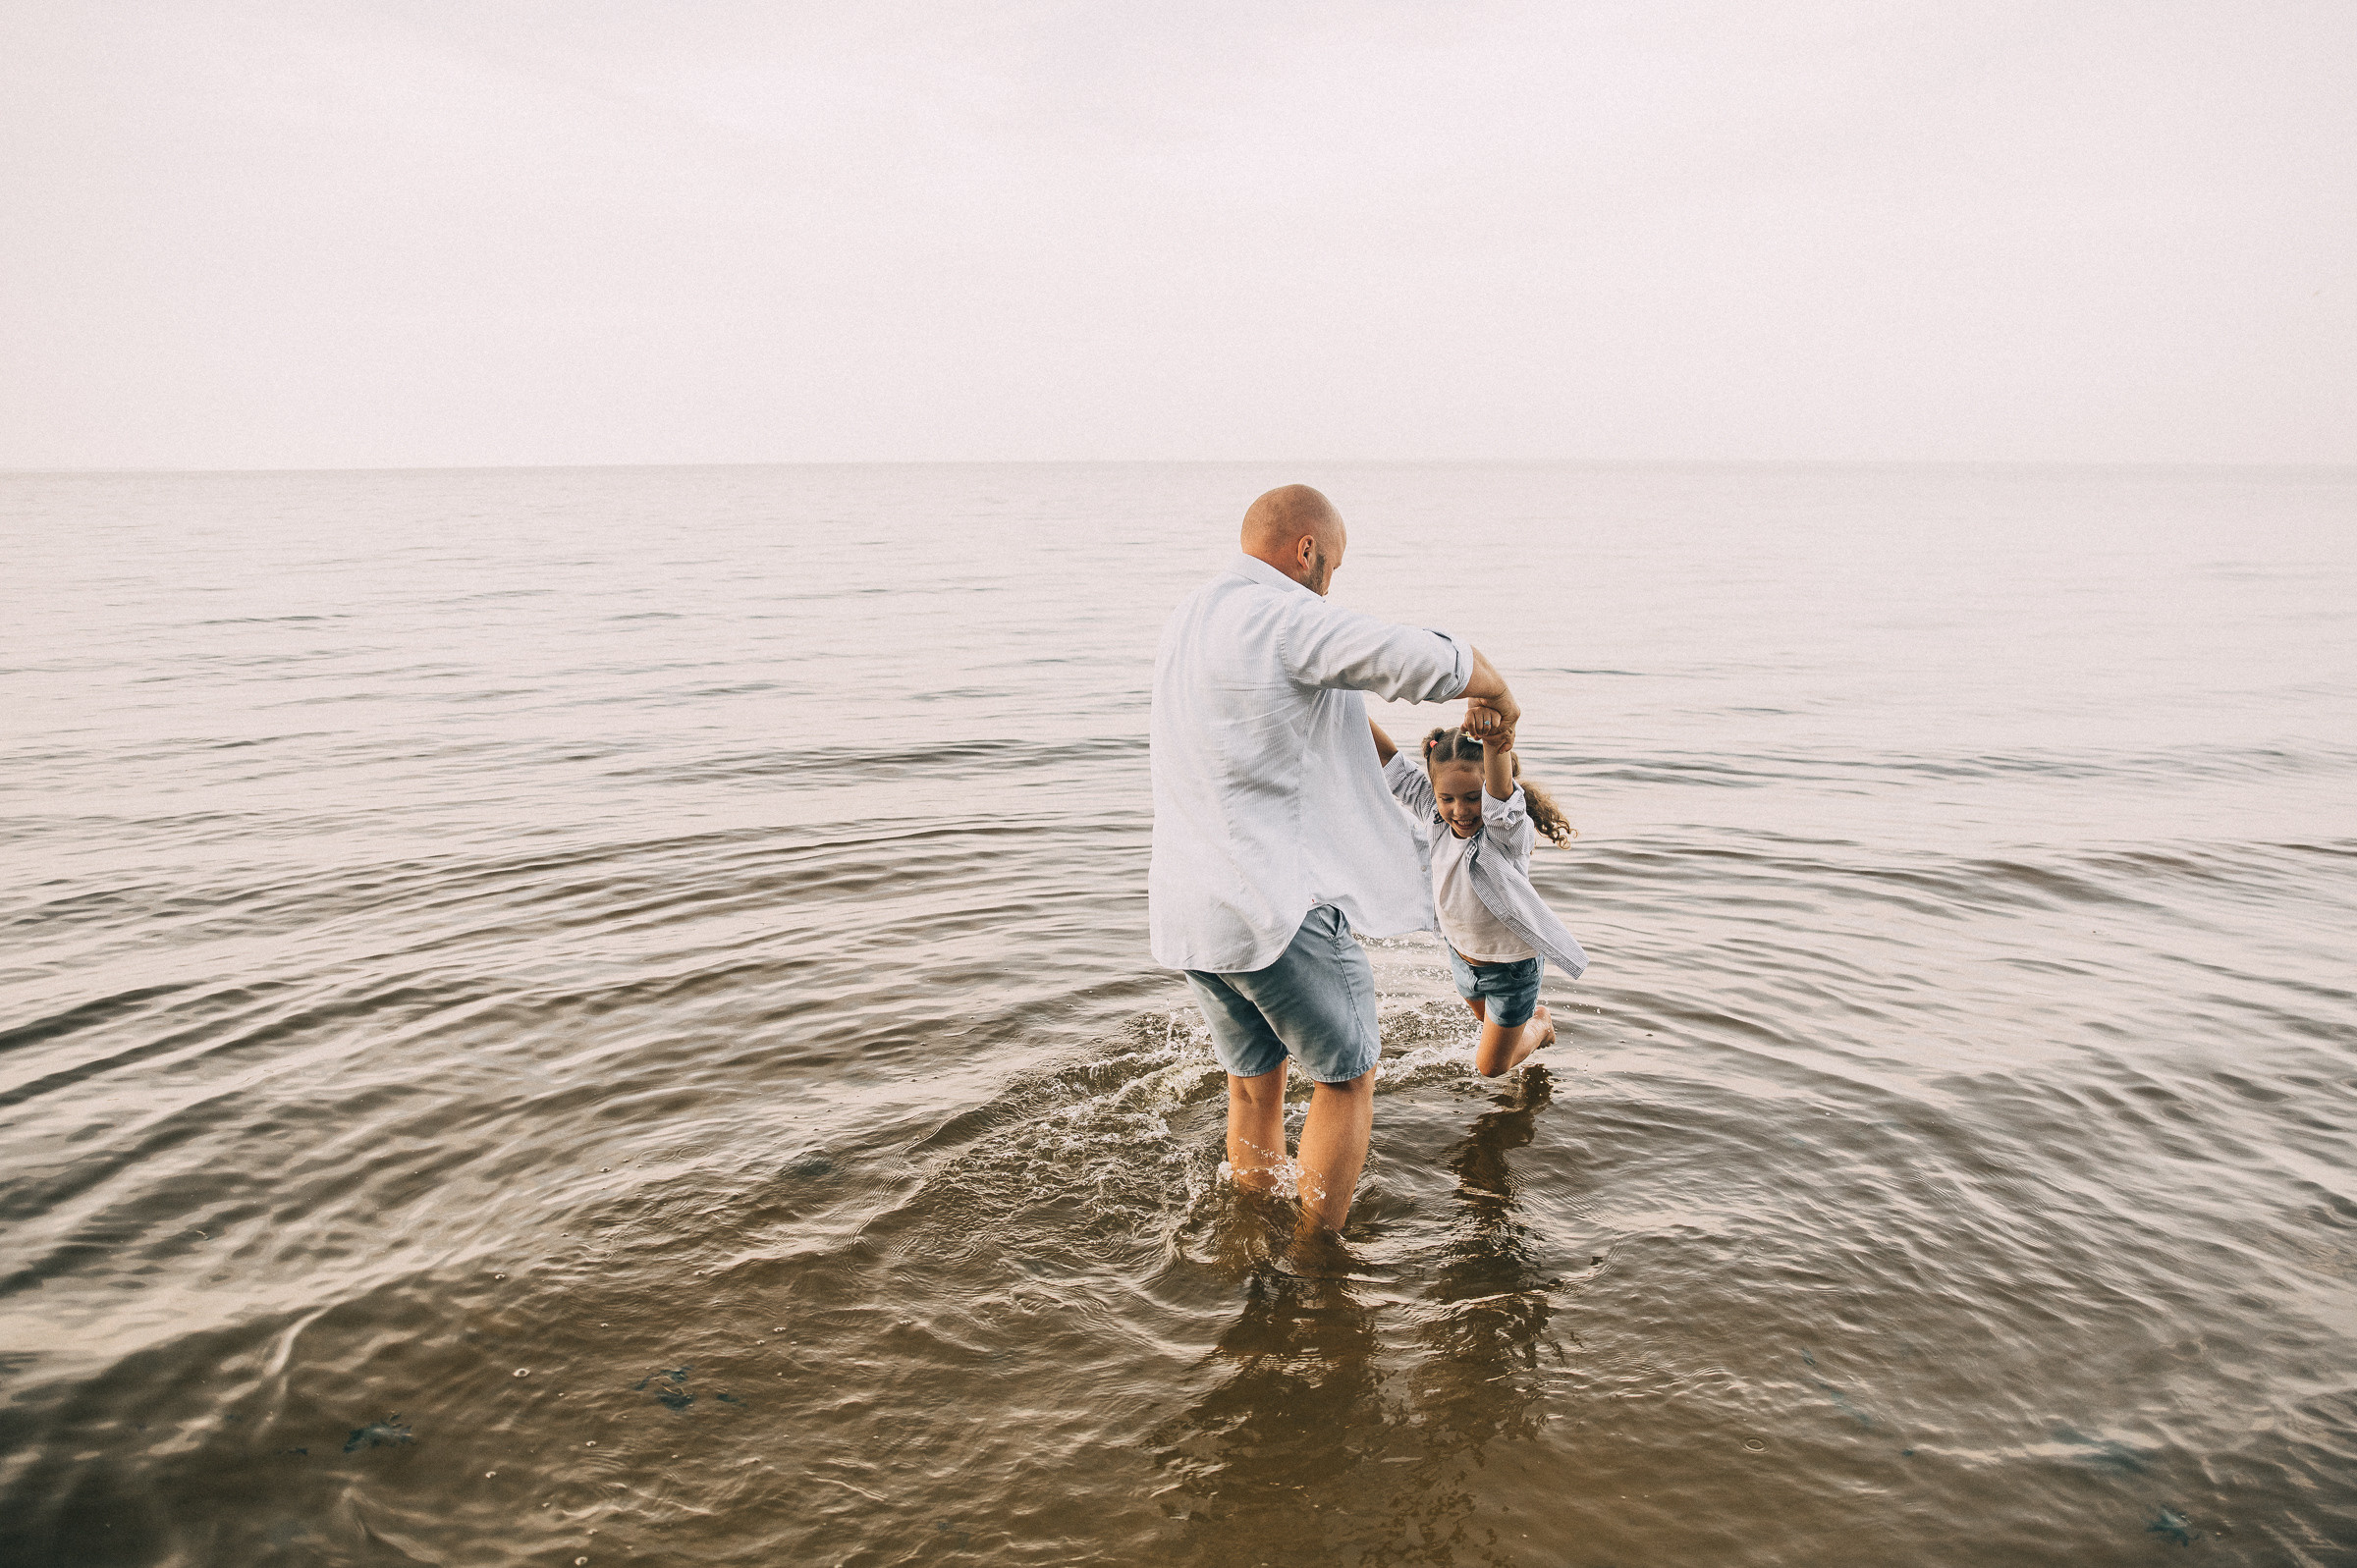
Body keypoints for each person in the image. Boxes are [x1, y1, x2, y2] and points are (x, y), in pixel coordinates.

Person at [1149, 483, 1521, 1239]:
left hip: (1193, 912)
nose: (1331, 585)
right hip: (1274, 910)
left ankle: (1254, 1236)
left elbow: (1300, 710)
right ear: (1307, 550)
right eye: (1333, 566)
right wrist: (1495, 689)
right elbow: (1409, 657)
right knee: (1347, 1077)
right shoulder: (1283, 615)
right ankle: (1319, 1266)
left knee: (1254, 1089)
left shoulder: (1190, 618)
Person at [1369, 718, 1588, 1077]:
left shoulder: (1505, 834)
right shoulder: (1433, 815)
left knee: (1490, 1067)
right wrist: (1339, 699)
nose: (1460, 810)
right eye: (1447, 798)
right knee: (1494, 1031)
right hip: (1463, 958)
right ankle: (1529, 1059)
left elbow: (1502, 800)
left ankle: (1540, 1025)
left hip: (1511, 968)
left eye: (1473, 798)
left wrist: (1494, 743)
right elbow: (1391, 761)